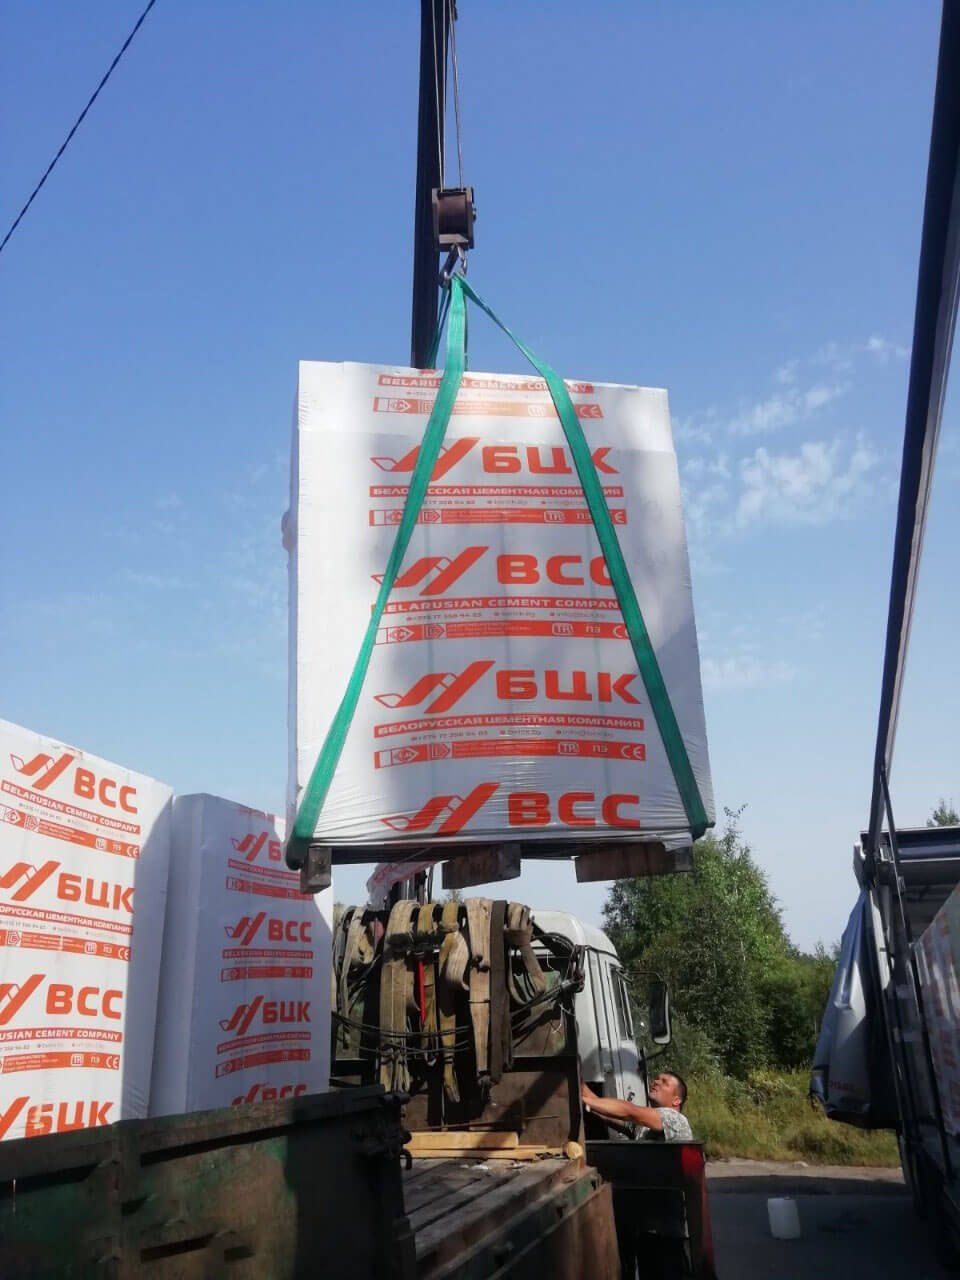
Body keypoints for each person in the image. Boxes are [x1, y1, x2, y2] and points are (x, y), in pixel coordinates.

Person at [581, 1071, 693, 1142]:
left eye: (664, 1082)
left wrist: (586, 1101)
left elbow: (629, 1111)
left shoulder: (675, 1118)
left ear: (676, 1101)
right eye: (657, 1078)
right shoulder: (645, 1126)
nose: (656, 1082)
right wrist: (579, 1083)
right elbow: (606, 1112)